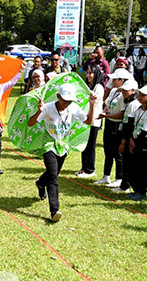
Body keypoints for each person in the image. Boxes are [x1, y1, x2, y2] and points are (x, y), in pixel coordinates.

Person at [28, 84, 98, 222]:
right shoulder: (48, 107)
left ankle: (41, 183)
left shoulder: (74, 108)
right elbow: (31, 123)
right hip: (49, 144)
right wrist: (39, 111)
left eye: (70, 100)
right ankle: (55, 211)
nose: (67, 103)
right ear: (58, 96)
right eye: (65, 99)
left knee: (52, 173)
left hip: (63, 145)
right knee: (53, 176)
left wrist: (92, 105)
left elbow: (89, 121)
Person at [94, 69, 131, 186]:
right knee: (107, 150)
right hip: (109, 123)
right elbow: (108, 105)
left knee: (117, 152)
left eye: (115, 79)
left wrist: (106, 115)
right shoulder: (113, 91)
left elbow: (122, 114)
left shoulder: (124, 95)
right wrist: (104, 113)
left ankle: (119, 178)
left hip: (117, 124)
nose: (112, 81)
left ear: (122, 80)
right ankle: (106, 176)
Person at [127, 86, 147, 201]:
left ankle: (142, 191)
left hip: (145, 142)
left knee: (143, 167)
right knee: (135, 166)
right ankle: (136, 189)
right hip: (135, 140)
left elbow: (145, 131)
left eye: (142, 95)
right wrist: (131, 140)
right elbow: (133, 124)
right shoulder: (139, 109)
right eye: (139, 95)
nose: (139, 97)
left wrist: (135, 144)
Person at [76, 64, 104, 178]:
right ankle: (84, 168)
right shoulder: (89, 85)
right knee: (84, 144)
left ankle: (90, 169)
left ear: (96, 74)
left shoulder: (99, 87)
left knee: (91, 145)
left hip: (94, 120)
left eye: (90, 73)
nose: (88, 75)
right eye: (87, 73)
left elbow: (93, 101)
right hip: (86, 119)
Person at [115, 79, 140, 193]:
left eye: (127, 90)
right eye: (123, 90)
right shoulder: (129, 103)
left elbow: (129, 124)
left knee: (128, 161)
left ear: (133, 91)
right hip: (126, 134)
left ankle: (125, 185)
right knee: (126, 160)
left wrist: (124, 141)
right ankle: (124, 184)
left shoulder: (133, 105)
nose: (124, 92)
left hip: (129, 136)